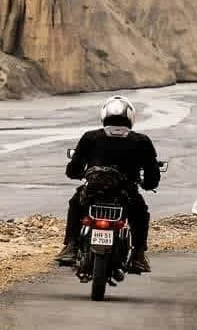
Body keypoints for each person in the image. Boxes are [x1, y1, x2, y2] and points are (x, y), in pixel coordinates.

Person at [57, 95, 160, 273]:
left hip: (92, 191)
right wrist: (147, 184)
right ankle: (138, 256)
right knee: (141, 214)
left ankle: (71, 246)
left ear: (104, 115)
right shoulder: (141, 141)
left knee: (75, 204)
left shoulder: (90, 137)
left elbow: (73, 170)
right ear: (130, 117)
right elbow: (152, 176)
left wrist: (79, 173)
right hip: (126, 194)